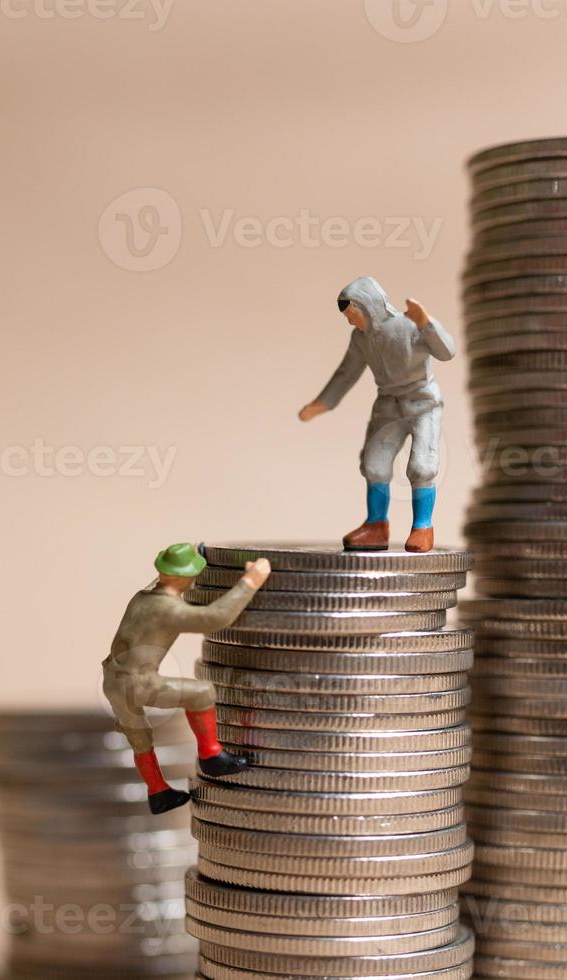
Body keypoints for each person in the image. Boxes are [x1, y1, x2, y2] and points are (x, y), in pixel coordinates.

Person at [102, 543, 271, 814]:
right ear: (184, 578)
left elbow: (161, 583)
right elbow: (215, 618)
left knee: (140, 739)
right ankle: (211, 755)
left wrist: (188, 554)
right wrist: (250, 582)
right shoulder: (169, 609)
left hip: (112, 680)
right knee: (201, 692)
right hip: (139, 683)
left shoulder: (142, 596)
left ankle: (158, 793)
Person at [299, 276, 456, 553]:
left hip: (423, 402)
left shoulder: (408, 326)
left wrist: (426, 323)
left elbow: (447, 351)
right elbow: (346, 374)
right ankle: (376, 526)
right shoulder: (360, 339)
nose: (350, 321)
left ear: (369, 306)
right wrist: (322, 403)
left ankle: (422, 527)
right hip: (388, 404)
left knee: (422, 466)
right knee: (374, 464)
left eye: (353, 314)